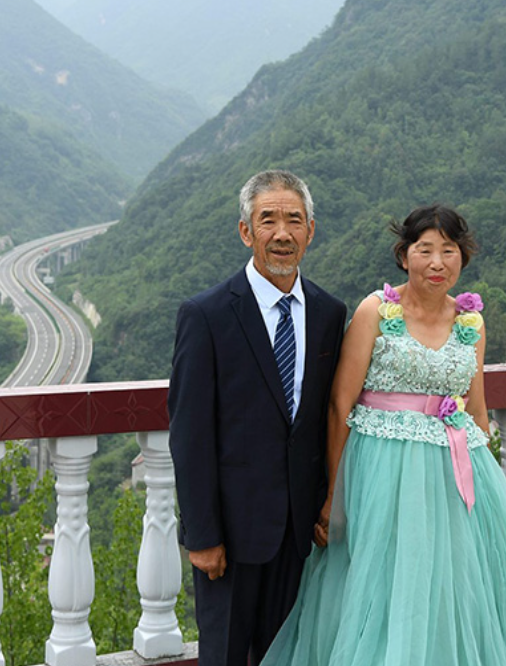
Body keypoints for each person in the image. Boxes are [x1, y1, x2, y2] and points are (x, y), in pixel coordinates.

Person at [263, 204, 506, 666]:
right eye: (425, 250)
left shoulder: (471, 321)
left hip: (456, 476)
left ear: (463, 258)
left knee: (456, 593)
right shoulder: (376, 310)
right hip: (384, 474)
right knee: (387, 586)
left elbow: (476, 407)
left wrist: (485, 487)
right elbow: (341, 405)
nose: (437, 263)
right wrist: (334, 493)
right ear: (404, 255)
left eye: (449, 251)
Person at [169, 170, 347, 666]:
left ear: (311, 230)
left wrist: (330, 503)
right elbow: (189, 434)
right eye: (268, 220)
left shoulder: (330, 313)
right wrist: (202, 536)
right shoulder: (206, 315)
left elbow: (328, 416)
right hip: (230, 535)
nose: (282, 233)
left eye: (294, 220)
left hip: (298, 535)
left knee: (289, 656)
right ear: (246, 231)